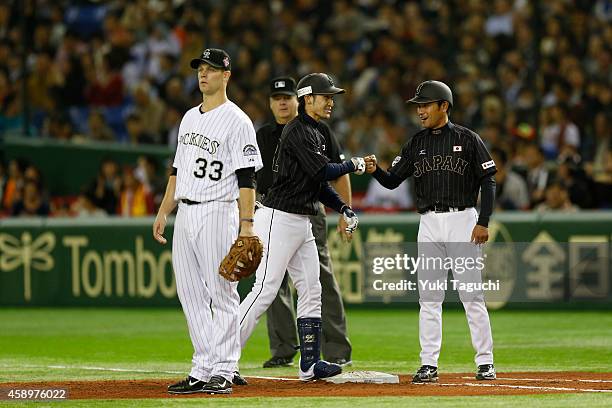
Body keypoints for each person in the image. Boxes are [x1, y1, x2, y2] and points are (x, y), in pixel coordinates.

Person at [364, 80, 497, 382]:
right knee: (429, 297)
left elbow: (488, 179)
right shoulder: (415, 143)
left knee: (471, 295)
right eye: (418, 106)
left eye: (425, 105)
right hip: (429, 223)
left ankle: (486, 361)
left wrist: (484, 220)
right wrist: (375, 170)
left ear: (444, 106)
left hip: (462, 219)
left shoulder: (468, 138)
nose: (420, 111)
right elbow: (392, 181)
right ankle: (429, 364)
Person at [239, 73, 365, 381]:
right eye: (326, 97)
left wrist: (344, 207)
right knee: (264, 291)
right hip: (279, 218)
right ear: (308, 99)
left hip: (303, 221)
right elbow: (324, 170)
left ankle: (310, 363)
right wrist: (354, 164)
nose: (331, 101)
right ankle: (221, 357)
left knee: (312, 290)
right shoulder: (298, 131)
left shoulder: (316, 131)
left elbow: (318, 183)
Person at [153, 48, 263, 395]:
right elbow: (177, 170)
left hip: (218, 208)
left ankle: (225, 368)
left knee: (222, 291)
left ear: (226, 75)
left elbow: (247, 178)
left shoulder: (238, 120)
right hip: (186, 210)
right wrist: (164, 208)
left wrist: (247, 224)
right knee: (189, 293)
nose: (204, 74)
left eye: (212, 69)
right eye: (201, 68)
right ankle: (202, 366)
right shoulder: (188, 117)